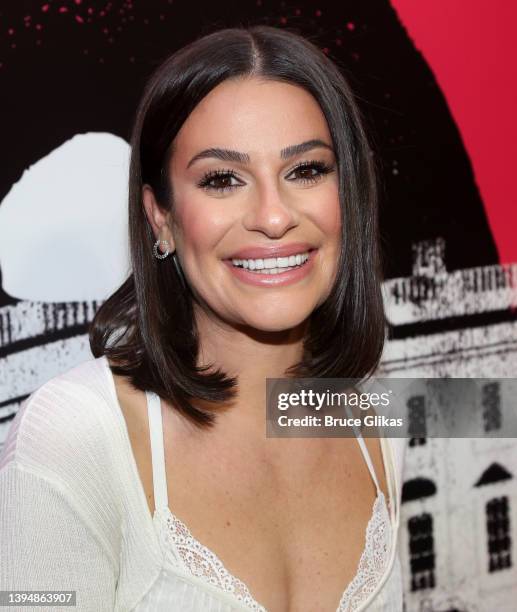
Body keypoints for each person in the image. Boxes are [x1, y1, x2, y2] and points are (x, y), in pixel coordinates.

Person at [0, 25, 406, 611]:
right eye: (222, 179)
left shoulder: (379, 426)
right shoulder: (70, 441)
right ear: (160, 216)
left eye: (306, 170)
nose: (272, 216)